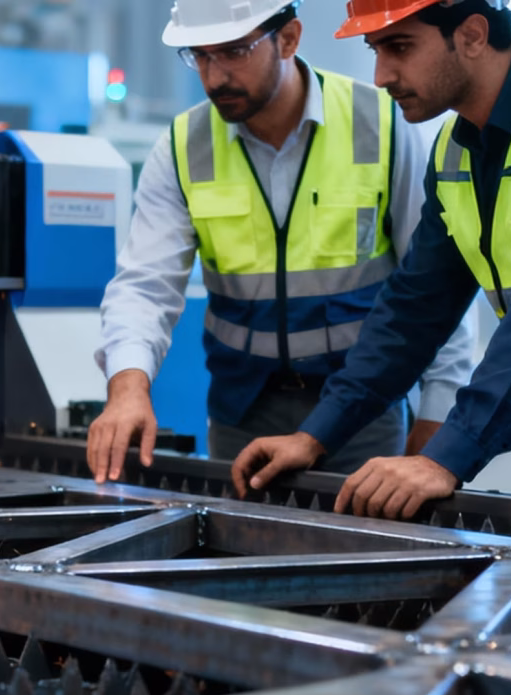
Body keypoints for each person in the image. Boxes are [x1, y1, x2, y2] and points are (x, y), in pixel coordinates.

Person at [232, 0, 511, 516]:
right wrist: (316, 434)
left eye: (400, 47)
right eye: (375, 50)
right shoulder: (456, 147)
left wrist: (442, 458)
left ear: (472, 34)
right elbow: (415, 308)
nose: (381, 76)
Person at [87, 0, 476, 484]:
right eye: (199, 56)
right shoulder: (184, 146)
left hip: (363, 411)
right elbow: (145, 285)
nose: (214, 77)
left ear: (289, 38)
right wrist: (126, 387)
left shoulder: (382, 125)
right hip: (242, 410)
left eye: (233, 51)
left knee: (370, 554)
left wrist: (435, 415)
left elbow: (435, 287)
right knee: (238, 549)